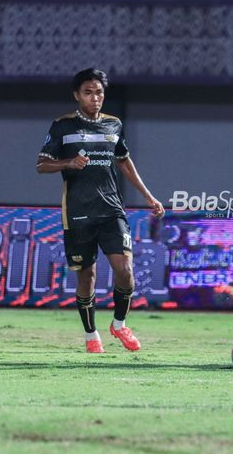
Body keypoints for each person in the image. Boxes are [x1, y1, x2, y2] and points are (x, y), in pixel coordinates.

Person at [36, 68, 165, 353]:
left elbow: (124, 161)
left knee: (126, 270)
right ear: (76, 95)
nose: (95, 98)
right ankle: (91, 334)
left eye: (99, 92)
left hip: (111, 210)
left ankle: (119, 325)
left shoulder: (113, 125)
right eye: (88, 92)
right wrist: (68, 163)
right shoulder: (62, 126)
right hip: (78, 213)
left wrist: (148, 195)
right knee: (87, 277)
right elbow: (41, 164)